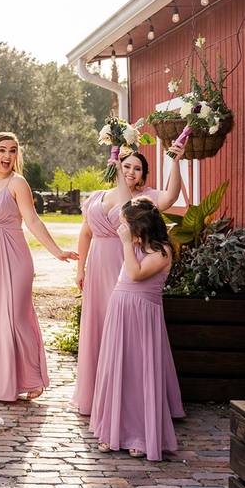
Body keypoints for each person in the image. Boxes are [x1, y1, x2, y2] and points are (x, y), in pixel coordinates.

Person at [0, 91, 79, 402]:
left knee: (17, 318)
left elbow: (33, 222)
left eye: (12, 151)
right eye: (2, 150)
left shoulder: (18, 183)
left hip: (16, 260)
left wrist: (56, 251)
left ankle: (30, 376)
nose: (7, 156)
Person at [72, 146, 183, 415]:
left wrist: (176, 162)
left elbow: (171, 196)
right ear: (117, 168)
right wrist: (80, 268)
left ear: (143, 175)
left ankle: (127, 397)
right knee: (97, 323)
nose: (131, 171)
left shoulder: (146, 201)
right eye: (127, 166)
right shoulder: (97, 197)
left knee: (125, 329)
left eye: (137, 168)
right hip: (98, 265)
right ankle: (95, 395)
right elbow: (86, 233)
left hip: (125, 263)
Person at [90, 197, 184, 460]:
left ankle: (140, 435)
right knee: (117, 369)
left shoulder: (161, 251)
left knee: (139, 373)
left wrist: (124, 244)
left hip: (142, 316)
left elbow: (135, 274)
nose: (122, 230)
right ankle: (112, 432)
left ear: (141, 226)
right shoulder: (135, 244)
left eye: (125, 225)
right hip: (120, 310)